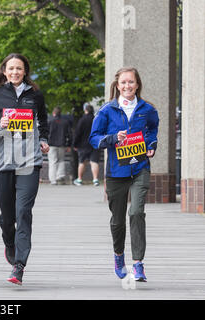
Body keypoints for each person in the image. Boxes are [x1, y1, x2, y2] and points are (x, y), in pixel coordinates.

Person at [0, 53, 49, 285]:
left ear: (25, 71)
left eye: (19, 69)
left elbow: (43, 123)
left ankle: (19, 265)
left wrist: (44, 140)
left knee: (23, 212)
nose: (15, 72)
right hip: (3, 163)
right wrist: (0, 126)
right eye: (11, 69)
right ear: (4, 71)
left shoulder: (36, 96)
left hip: (30, 161)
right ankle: (9, 241)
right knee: (8, 217)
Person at [89, 67, 159, 282]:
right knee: (118, 220)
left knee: (136, 212)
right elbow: (94, 138)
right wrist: (112, 138)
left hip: (140, 168)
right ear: (117, 85)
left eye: (131, 82)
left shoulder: (147, 109)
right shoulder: (107, 110)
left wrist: (151, 145)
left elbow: (153, 130)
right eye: (123, 83)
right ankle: (119, 256)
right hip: (116, 171)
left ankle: (138, 264)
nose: (127, 86)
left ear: (137, 84)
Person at [73, 103, 100, 186]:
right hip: (95, 143)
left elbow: (78, 133)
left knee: (82, 162)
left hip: (83, 145)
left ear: (85, 110)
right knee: (94, 161)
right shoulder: (96, 119)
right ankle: (95, 179)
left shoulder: (82, 120)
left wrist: (75, 144)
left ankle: (79, 179)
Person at [48, 107, 71, 185]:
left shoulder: (50, 121)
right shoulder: (65, 122)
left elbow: (46, 132)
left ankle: (53, 180)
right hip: (62, 144)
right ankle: (60, 176)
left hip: (51, 144)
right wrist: (69, 145)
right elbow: (69, 134)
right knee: (61, 160)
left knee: (52, 161)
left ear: (53, 113)